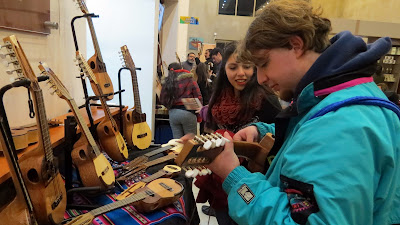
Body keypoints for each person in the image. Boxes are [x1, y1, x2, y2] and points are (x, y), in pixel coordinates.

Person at [205, 0, 400, 224]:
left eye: (264, 63)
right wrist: (264, 131)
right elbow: (314, 135)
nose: (260, 79)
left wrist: (234, 177)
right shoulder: (343, 99)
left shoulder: (342, 124)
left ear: (296, 45)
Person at [195, 41, 282, 225]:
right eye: (233, 67)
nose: (240, 73)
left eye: (247, 67)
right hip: (220, 181)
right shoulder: (217, 99)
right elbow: (210, 135)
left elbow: (280, 139)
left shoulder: (265, 97)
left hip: (253, 182)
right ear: (224, 69)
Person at [160, 62, 202, 138]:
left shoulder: (167, 82)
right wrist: (199, 113)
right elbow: (198, 96)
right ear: (181, 69)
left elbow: (162, 100)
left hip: (173, 114)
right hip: (188, 112)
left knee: (177, 142)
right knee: (190, 142)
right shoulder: (189, 79)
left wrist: (171, 105)